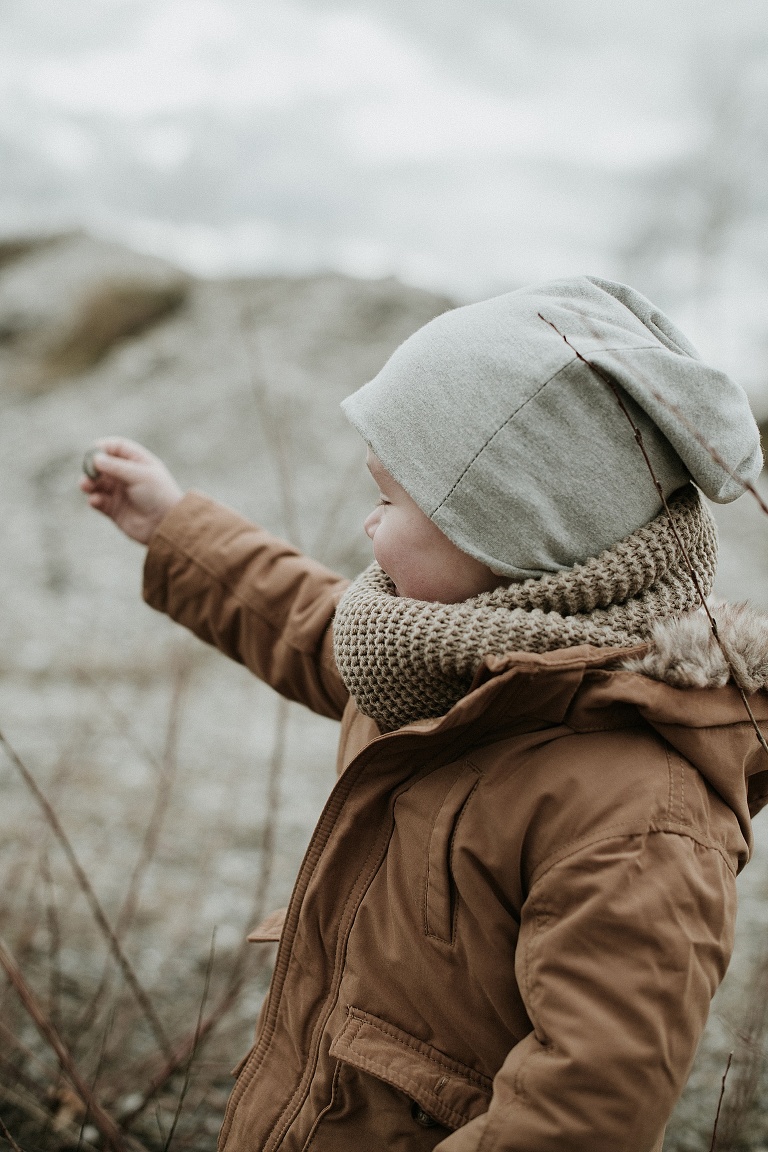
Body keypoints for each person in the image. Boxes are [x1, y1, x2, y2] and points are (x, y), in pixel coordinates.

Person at [81, 276, 768, 1152]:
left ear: (513, 538)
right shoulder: (437, 654)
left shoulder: (640, 816)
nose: (367, 526)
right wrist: (176, 525)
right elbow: (308, 623)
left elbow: (584, 1111)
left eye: (391, 499)